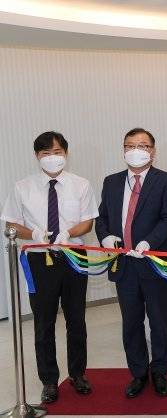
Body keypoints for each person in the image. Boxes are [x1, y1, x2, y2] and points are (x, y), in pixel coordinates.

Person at [1, 131, 98, 403]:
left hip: (73, 256)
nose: (52, 157)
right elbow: (11, 223)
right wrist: (33, 233)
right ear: (37, 156)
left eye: (57, 152)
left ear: (66, 153)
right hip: (39, 259)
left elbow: (88, 222)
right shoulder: (22, 187)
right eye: (46, 153)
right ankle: (49, 381)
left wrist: (68, 232)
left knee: (76, 319)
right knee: (43, 322)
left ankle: (78, 374)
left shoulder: (81, 184)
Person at [95, 128, 167, 398]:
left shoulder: (166, 180)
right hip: (124, 265)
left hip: (155, 262)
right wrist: (105, 237)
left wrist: (149, 242)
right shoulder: (111, 181)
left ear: (153, 151)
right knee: (131, 322)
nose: (135, 150)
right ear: (123, 150)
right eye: (130, 145)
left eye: (142, 146)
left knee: (159, 321)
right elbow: (101, 218)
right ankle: (138, 373)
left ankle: (160, 372)